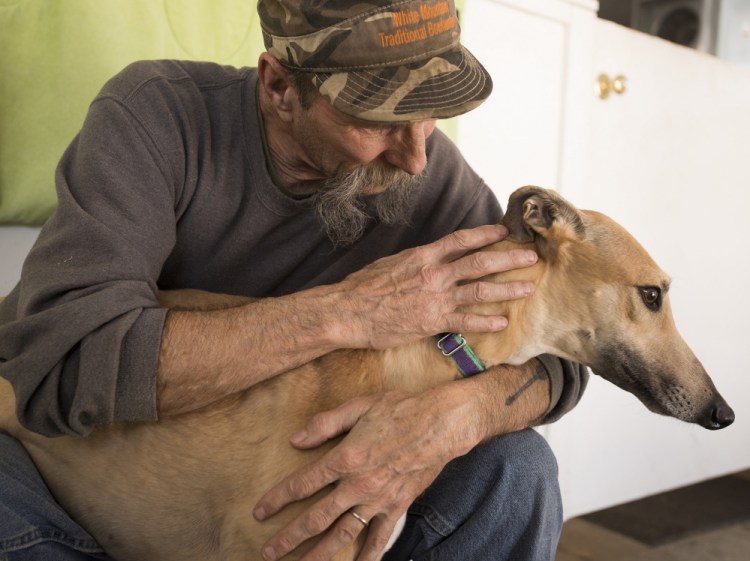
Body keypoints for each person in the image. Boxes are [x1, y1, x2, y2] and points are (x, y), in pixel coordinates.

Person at [0, 1, 587, 560]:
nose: (414, 158)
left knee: (516, 469)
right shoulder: (156, 115)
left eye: (429, 112)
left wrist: (456, 419)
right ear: (280, 87)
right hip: (55, 451)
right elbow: (69, 368)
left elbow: (559, 356)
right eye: (380, 119)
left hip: (262, 474)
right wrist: (345, 314)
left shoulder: (429, 180)